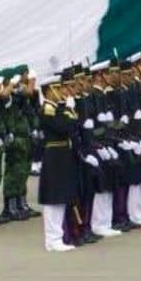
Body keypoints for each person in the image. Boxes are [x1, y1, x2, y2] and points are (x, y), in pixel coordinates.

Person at [37, 81, 80, 252]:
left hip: (62, 155)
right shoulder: (47, 109)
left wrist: (68, 112)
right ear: (49, 91)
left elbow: (73, 126)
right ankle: (52, 238)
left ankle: (57, 237)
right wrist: (70, 110)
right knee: (53, 199)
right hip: (54, 155)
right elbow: (64, 127)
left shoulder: (57, 109)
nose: (63, 91)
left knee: (61, 198)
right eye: (59, 89)